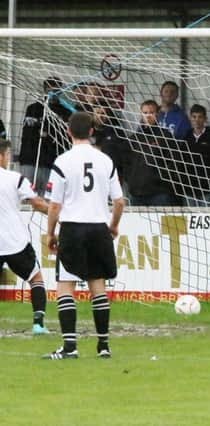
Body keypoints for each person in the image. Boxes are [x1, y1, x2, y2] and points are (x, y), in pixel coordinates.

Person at [43, 112, 126, 359]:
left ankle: (70, 347)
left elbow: (54, 205)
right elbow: (119, 201)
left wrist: (50, 233)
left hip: (73, 228)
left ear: (69, 132)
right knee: (97, 284)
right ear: (92, 132)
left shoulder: (63, 161)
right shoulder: (105, 160)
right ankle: (103, 346)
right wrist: (112, 226)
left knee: (65, 284)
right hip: (99, 228)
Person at [0, 139, 50, 335]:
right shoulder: (15, 178)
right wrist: (60, 217)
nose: (9, 159)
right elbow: (37, 203)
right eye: (8, 155)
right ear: (2, 156)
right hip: (15, 242)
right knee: (36, 278)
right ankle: (38, 324)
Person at [18, 77, 71, 195]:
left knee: (48, 198)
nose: (52, 93)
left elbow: (63, 137)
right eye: (49, 89)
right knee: (25, 196)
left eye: (56, 90)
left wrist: (48, 133)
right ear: (44, 90)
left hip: (51, 162)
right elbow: (29, 134)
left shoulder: (65, 112)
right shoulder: (33, 109)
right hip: (30, 160)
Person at [125, 100, 180, 206]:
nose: (148, 116)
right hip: (137, 194)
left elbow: (174, 162)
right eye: (145, 113)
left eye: (151, 112)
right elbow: (126, 163)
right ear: (141, 114)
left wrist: (162, 181)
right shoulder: (133, 139)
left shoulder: (165, 136)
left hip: (159, 194)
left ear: (157, 114)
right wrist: (132, 181)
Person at [185, 104, 210, 206]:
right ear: (190, 118)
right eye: (194, 117)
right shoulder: (187, 136)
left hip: (206, 187)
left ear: (205, 119)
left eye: (200, 117)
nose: (197, 120)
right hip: (189, 187)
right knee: (190, 218)